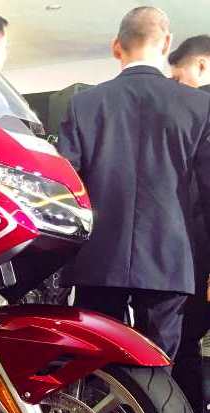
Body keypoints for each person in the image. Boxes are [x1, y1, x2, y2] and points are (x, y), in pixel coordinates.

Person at [57, 6, 210, 360]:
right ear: (167, 43)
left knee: (92, 364)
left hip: (98, 258)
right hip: (169, 260)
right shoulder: (200, 106)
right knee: (157, 365)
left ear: (116, 47)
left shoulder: (83, 104)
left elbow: (66, 186)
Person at [168, 36, 210, 413]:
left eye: (178, 78)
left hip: (195, 252)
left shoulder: (199, 109)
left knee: (183, 341)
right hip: (195, 249)